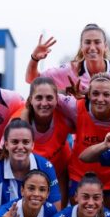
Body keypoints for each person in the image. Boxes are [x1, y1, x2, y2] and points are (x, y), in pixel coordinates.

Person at [61, 73, 110, 210]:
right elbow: (45, 96)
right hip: (80, 176)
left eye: (106, 94)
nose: (100, 99)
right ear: (88, 94)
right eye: (95, 93)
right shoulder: (75, 107)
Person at [0, 119, 62, 211]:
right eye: (15, 142)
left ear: (32, 145)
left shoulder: (45, 167)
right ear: (6, 145)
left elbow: (56, 208)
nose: (20, 147)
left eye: (26, 142)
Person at [24, 24, 110, 95]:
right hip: (83, 138)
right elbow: (32, 79)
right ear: (81, 47)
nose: (92, 47)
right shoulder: (71, 70)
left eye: (97, 42)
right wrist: (34, 58)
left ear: (105, 46)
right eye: (87, 42)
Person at [13, 77, 74, 205]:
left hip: (60, 171)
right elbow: (4, 152)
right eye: (39, 98)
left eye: (49, 98)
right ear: (30, 100)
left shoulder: (66, 116)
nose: (44, 103)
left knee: (58, 216)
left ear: (57, 100)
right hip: (32, 175)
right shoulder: (18, 122)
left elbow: (89, 119)